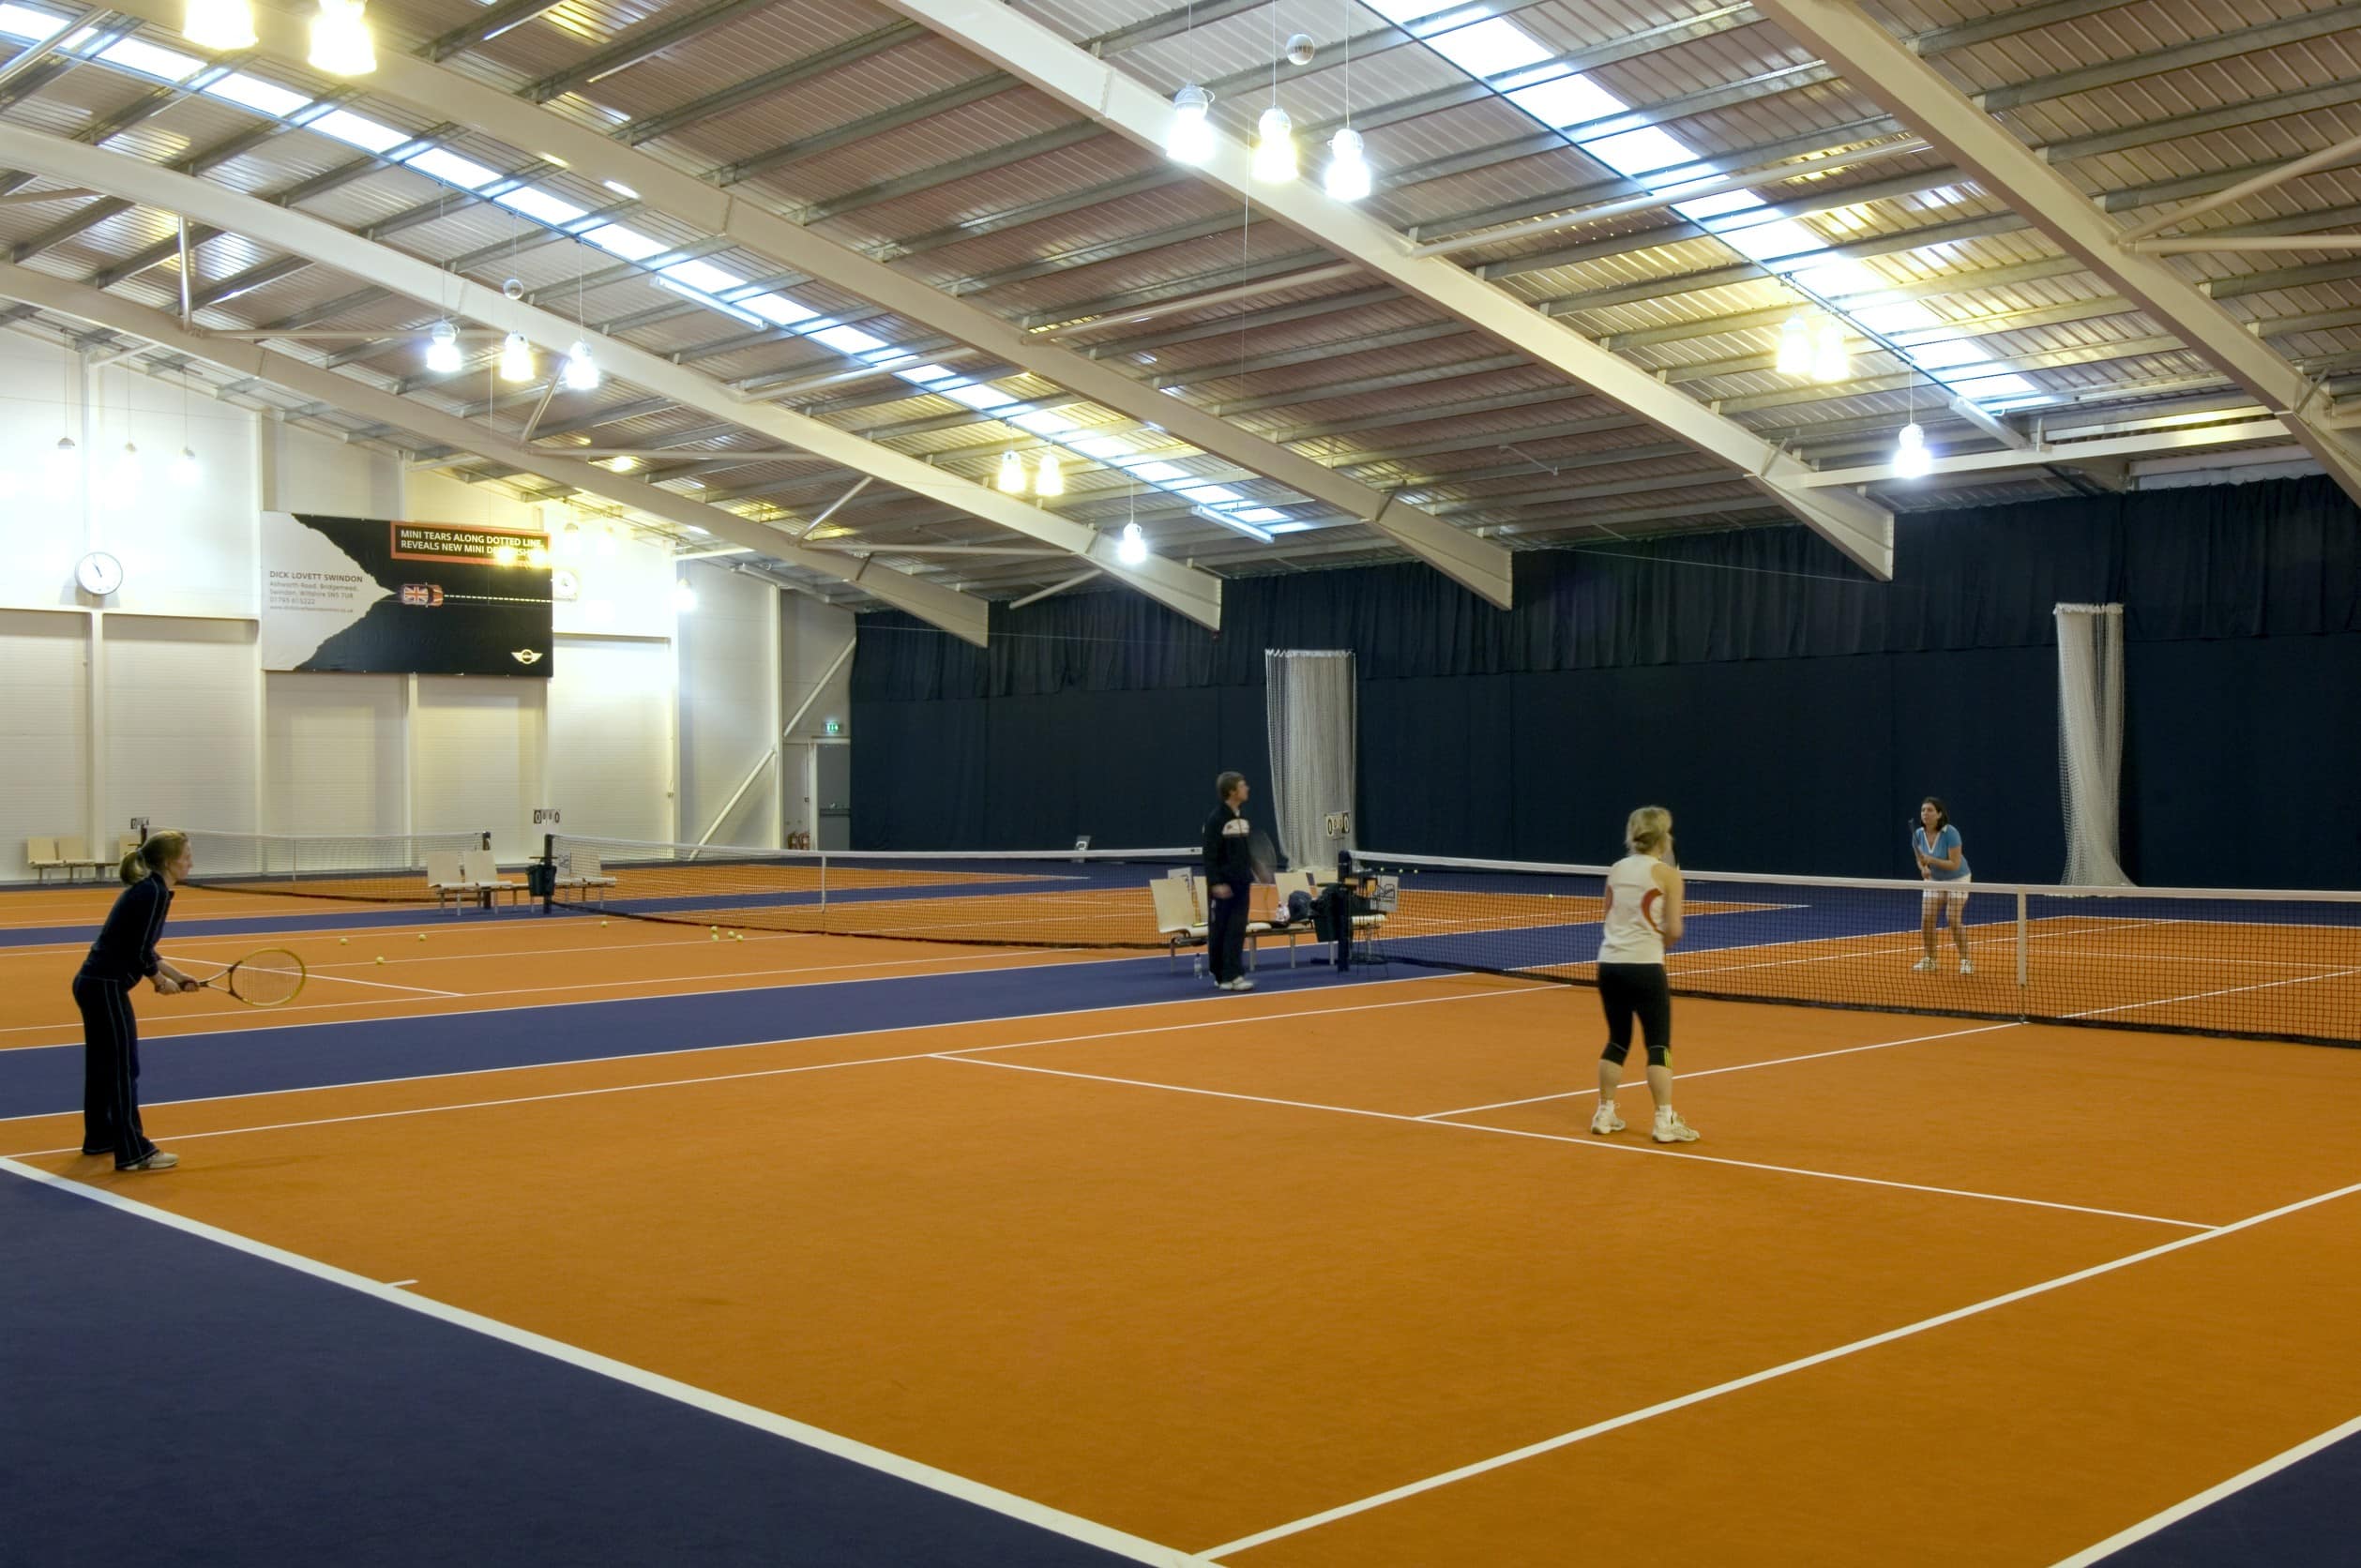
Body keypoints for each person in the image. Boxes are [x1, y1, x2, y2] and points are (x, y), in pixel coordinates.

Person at [72, 830, 198, 1171]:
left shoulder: (151, 890)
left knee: (104, 1066)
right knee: (123, 1068)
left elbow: (144, 947)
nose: (190, 863)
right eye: (186, 857)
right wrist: (159, 982)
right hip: (105, 986)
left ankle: (100, 1137)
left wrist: (176, 975)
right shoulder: (153, 893)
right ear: (169, 862)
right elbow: (138, 951)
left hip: (95, 984)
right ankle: (133, 1152)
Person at [1590, 807, 1699, 1143]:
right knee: (1658, 1044)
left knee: (1617, 1040)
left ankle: (1604, 1113)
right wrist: (1660, 941)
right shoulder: (1668, 875)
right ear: (1664, 838)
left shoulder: (1616, 869)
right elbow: (1674, 930)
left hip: (1609, 965)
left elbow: (1610, 914)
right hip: (1646, 967)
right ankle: (1664, 1121)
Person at [1201, 772, 1256, 992]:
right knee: (1220, 931)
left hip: (1242, 884)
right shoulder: (1216, 819)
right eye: (1243, 786)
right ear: (1232, 791)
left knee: (1237, 930)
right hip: (1223, 886)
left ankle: (1233, 974)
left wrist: (1255, 870)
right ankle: (1221, 974)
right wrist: (1216, 883)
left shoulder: (1243, 819)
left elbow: (1245, 853)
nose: (1247, 788)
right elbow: (1209, 855)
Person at [1912, 796, 1973, 974]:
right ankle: (1930, 959)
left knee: (1952, 919)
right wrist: (1924, 869)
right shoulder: (1918, 835)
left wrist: (1931, 861)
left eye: (1930, 810)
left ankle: (1966, 961)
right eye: (1923, 810)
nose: (1925, 813)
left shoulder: (1950, 833)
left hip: (1958, 878)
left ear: (1939, 814)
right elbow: (1920, 860)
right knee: (1927, 919)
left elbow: (1954, 864)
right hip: (1934, 880)